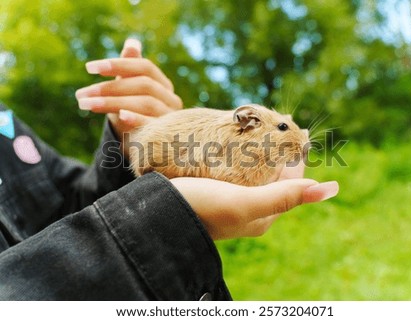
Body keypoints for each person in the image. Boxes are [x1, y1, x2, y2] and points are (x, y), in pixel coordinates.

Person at [0, 39, 338, 300]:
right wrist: (156, 218)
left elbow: (66, 211)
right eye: (280, 128)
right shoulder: (238, 139)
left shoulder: (7, 127)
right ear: (247, 122)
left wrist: (121, 140)